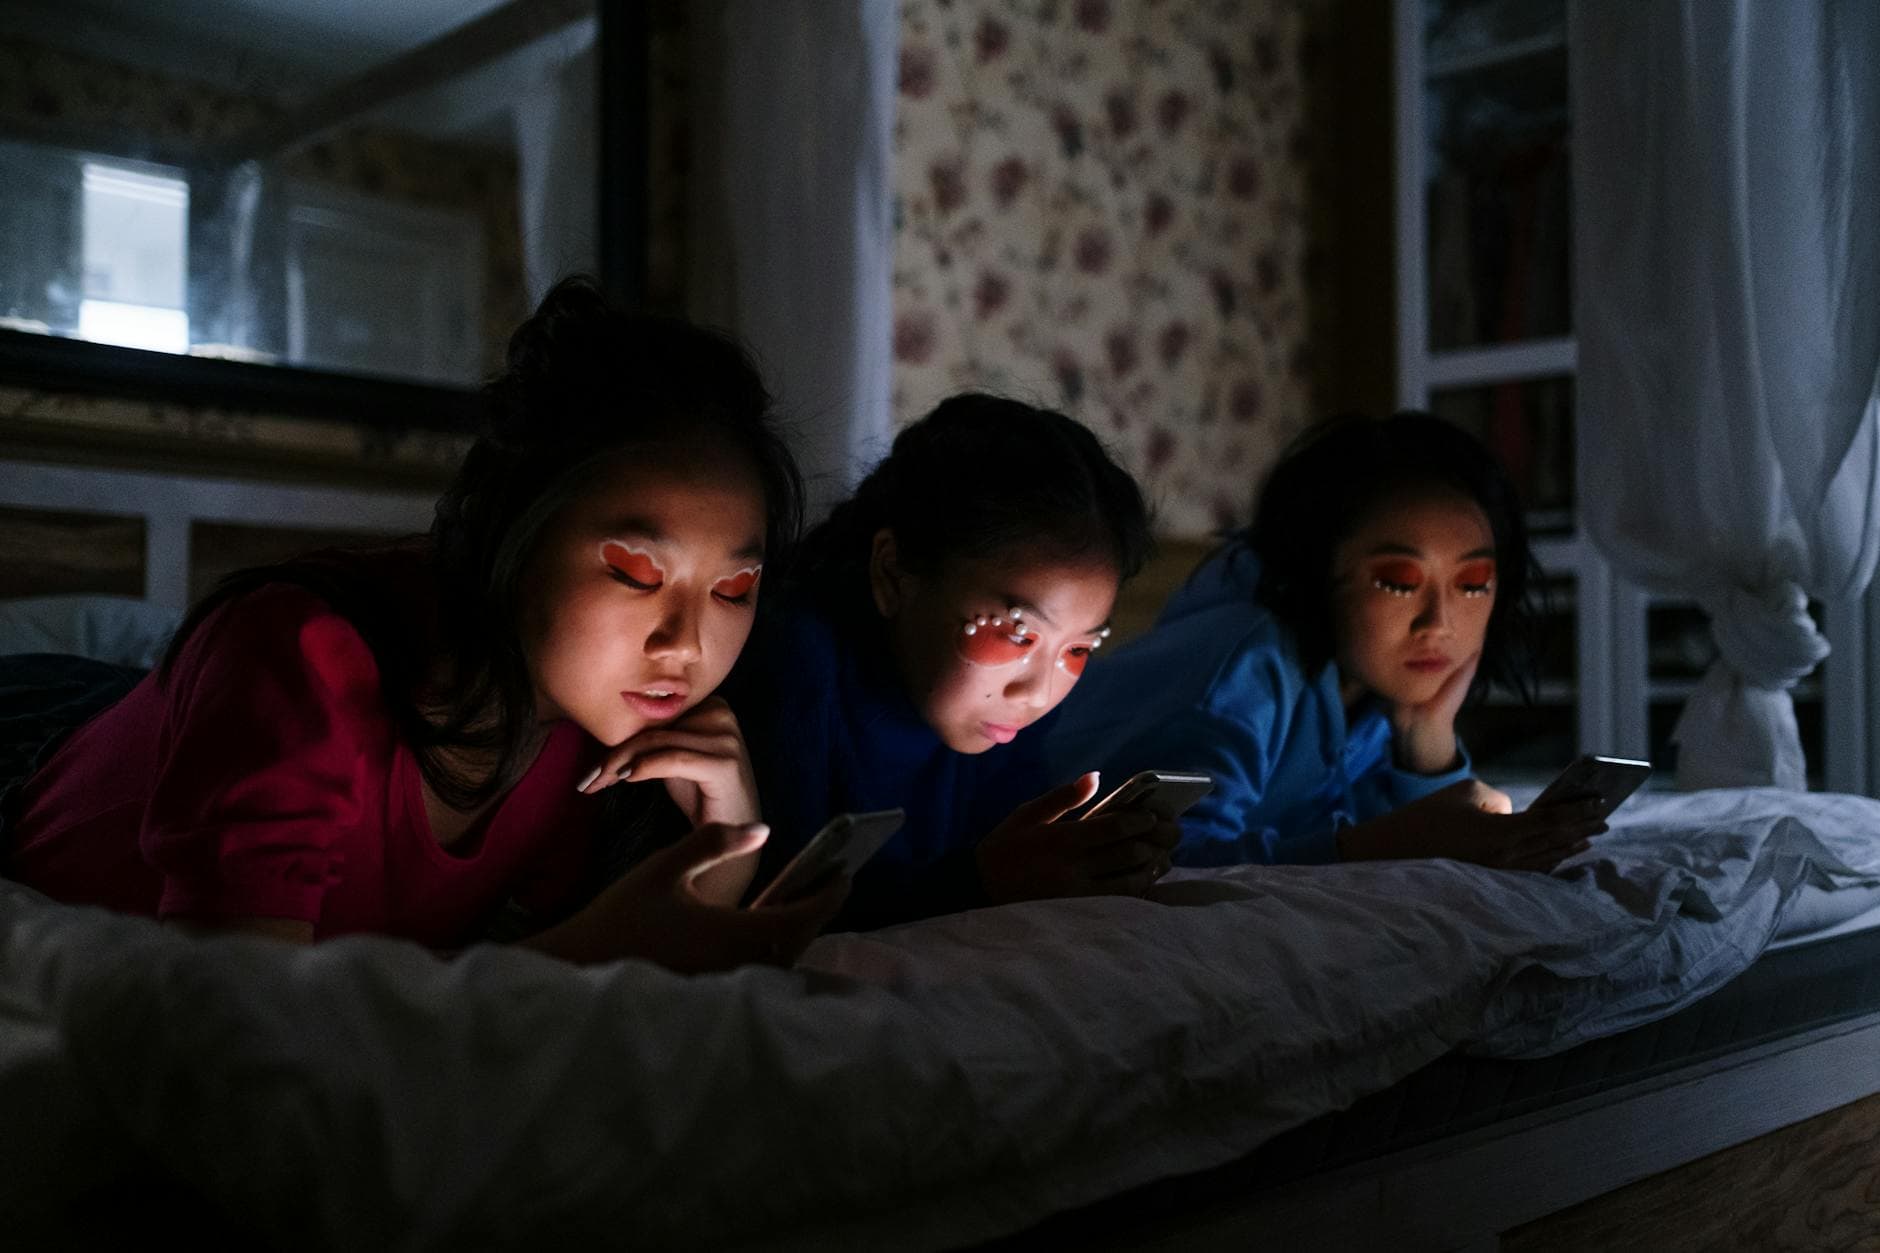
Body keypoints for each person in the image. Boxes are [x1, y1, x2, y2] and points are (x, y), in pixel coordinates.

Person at [4, 277, 843, 971]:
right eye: (632, 572)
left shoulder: (591, 726)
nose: (687, 645)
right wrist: (589, 951)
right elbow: (238, 1032)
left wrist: (726, 842)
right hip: (28, 742)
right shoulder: (298, 662)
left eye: (734, 589)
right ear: (516, 534)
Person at [1047, 412, 1607, 871]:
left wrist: (1428, 737)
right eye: (1398, 582)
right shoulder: (1248, 666)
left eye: (1472, 585)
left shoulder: (1368, 689)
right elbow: (1166, 863)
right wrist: (1391, 842)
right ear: (1318, 569)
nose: (1437, 622)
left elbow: (1430, 845)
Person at [704, 393, 1174, 928]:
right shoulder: (795, 665)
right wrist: (981, 882)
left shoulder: (1003, 718)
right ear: (892, 574)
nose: (1038, 693)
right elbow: (780, 909)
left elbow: (1011, 859)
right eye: (1017, 634)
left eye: (1078, 649)